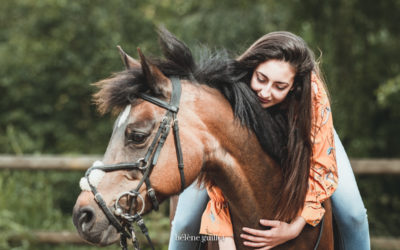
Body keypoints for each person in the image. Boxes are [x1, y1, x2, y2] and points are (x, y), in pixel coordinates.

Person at [169, 31, 370, 250]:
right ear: (252, 68)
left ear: (294, 86)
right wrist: (224, 236)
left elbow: (320, 169)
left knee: (354, 215)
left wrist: (294, 228)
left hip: (314, 136)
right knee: (183, 223)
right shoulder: (231, 89)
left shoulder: (312, 98)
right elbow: (218, 170)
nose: (265, 92)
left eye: (279, 86)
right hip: (226, 147)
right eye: (261, 79)